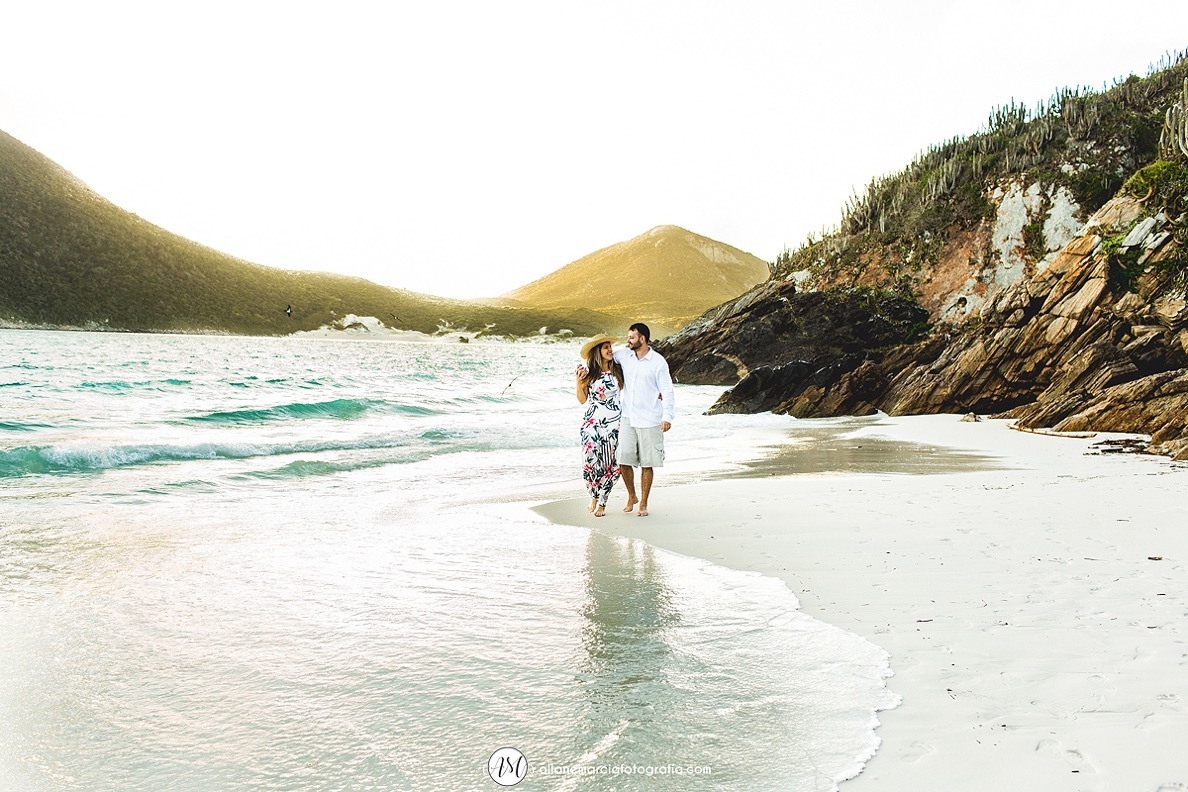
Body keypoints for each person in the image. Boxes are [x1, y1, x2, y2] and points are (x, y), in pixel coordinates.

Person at [613, 323, 674, 517]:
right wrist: (584, 368)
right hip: (627, 417)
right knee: (623, 459)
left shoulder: (658, 362)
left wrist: (667, 416)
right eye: (628, 336)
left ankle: (644, 503)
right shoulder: (624, 355)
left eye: (632, 337)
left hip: (650, 420)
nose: (628, 340)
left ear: (642, 338)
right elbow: (602, 356)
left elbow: (667, 391)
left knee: (647, 464)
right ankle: (632, 495)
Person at [575, 333, 624, 517]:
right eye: (606, 347)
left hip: (614, 424)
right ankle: (593, 496)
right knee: (590, 463)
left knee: (612, 464)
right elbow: (582, 400)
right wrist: (578, 381)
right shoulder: (589, 374)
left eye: (610, 346)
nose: (610, 350)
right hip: (592, 424)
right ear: (598, 351)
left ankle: (602, 502)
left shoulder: (618, 370)